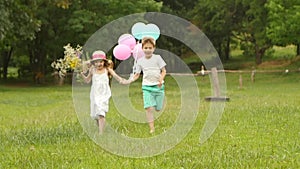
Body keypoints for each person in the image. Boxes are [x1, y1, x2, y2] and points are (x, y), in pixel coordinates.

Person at [124, 37, 167, 134]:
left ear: (154, 48)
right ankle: (152, 128)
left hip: (158, 87)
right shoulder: (140, 61)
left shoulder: (158, 58)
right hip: (146, 87)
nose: (148, 50)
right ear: (142, 48)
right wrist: (129, 81)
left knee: (158, 108)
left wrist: (161, 79)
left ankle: (157, 105)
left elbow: (164, 71)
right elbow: (137, 75)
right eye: (146, 48)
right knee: (148, 108)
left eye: (150, 48)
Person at [81, 50, 125, 134]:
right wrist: (82, 74)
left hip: (104, 94)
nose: (99, 64)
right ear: (94, 63)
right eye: (96, 62)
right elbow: (87, 80)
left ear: (104, 62)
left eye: (100, 62)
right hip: (95, 94)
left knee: (101, 112)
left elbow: (116, 76)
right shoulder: (92, 70)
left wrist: (122, 81)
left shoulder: (107, 70)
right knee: (96, 114)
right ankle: (100, 128)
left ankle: (101, 133)